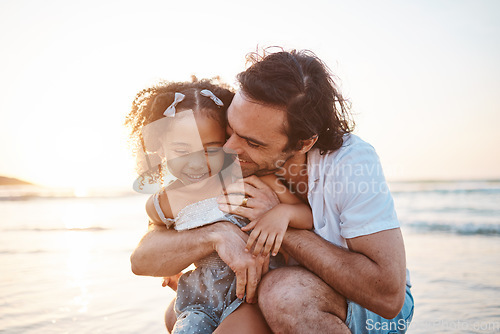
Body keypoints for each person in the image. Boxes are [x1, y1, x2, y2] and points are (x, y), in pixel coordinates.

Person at [131, 49, 414, 333]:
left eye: (252, 143)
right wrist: (214, 236)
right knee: (179, 314)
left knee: (282, 295)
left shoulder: (351, 165)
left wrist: (278, 222)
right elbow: (145, 253)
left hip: (363, 305)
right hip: (274, 289)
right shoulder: (227, 165)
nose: (228, 150)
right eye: (229, 130)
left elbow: (388, 298)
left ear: (303, 143)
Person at [126, 79, 313, 333]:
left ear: (227, 142)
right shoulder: (163, 203)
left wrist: (283, 213)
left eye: (211, 149)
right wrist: (170, 267)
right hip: (198, 300)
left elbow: (308, 217)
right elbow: (156, 240)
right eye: (182, 150)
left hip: (249, 296)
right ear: (160, 148)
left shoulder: (250, 181)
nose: (196, 163)